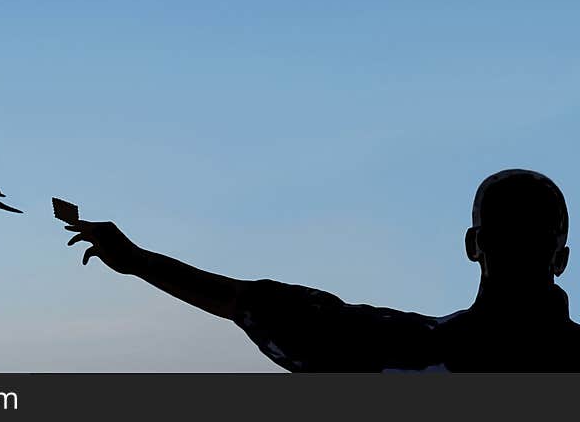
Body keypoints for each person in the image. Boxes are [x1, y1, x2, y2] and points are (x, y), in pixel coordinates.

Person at [60, 169, 580, 371]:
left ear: (472, 245)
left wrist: (138, 263)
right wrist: (138, 262)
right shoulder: (409, 348)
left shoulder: (408, 351)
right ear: (561, 257)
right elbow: (263, 306)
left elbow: (257, 306)